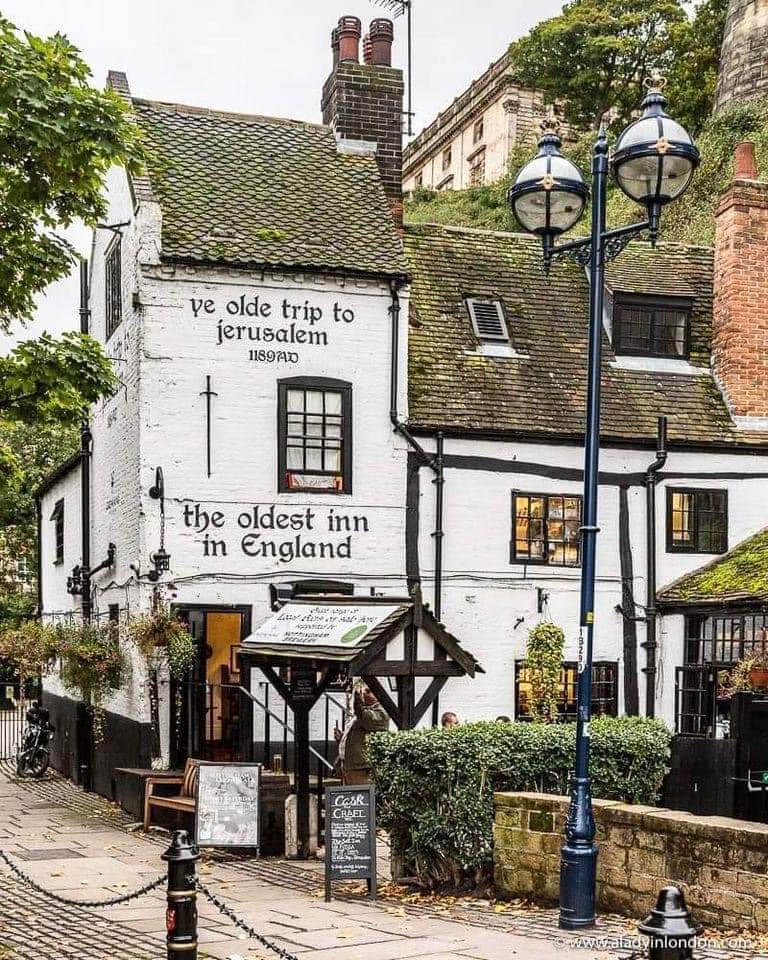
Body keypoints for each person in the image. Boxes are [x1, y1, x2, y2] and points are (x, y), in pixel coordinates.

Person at [337, 684, 389, 784]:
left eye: (368, 691)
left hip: (361, 768)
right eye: (364, 691)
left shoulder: (381, 712)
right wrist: (342, 738)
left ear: (378, 695)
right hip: (349, 765)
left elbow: (366, 718)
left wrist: (357, 697)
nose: (364, 694)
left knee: (360, 796)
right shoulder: (361, 713)